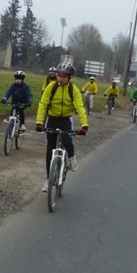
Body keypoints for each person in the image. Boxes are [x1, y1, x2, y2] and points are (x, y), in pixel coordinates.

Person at [35, 62, 88, 192]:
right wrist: (39, 123)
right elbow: (43, 104)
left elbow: (80, 107)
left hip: (65, 119)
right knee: (50, 149)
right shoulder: (51, 87)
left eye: (64, 76)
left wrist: (84, 125)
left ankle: (72, 158)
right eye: (59, 75)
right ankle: (48, 180)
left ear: (69, 77)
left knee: (67, 140)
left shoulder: (73, 89)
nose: (61, 78)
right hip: (52, 118)